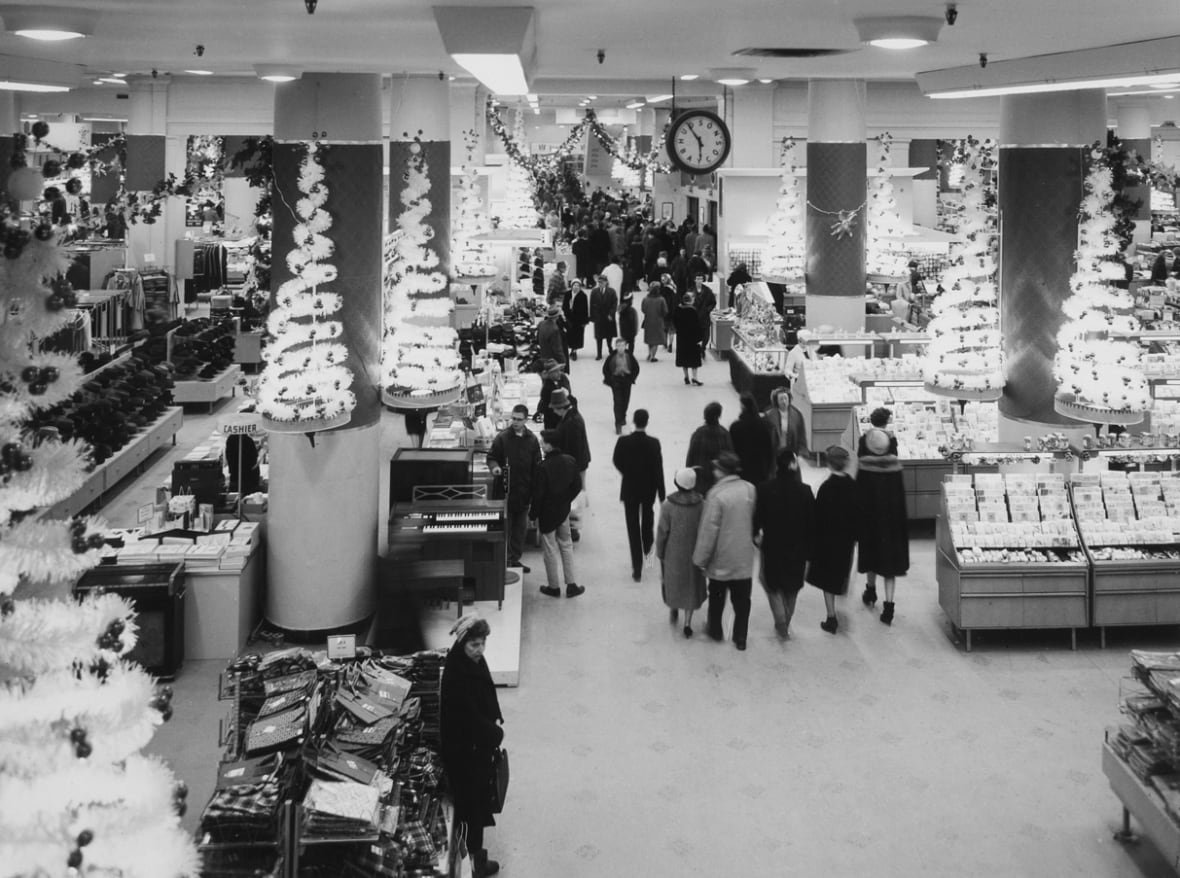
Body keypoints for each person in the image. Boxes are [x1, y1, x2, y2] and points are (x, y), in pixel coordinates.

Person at [440, 613, 504, 878]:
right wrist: (494, 734)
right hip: (466, 753)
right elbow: (468, 717)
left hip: (474, 749)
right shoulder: (457, 674)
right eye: (474, 645)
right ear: (462, 642)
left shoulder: (470, 660)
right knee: (471, 809)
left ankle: (474, 856)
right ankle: (473, 864)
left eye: (482, 644)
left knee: (475, 806)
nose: (480, 650)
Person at [693, 451, 758, 651]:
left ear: (722, 472)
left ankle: (715, 630)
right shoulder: (749, 489)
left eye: (716, 468)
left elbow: (709, 531)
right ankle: (740, 637)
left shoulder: (716, 495)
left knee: (717, 597)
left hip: (721, 558)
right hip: (743, 557)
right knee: (742, 601)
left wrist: (700, 559)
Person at [856, 408, 910, 625]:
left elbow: (859, 497)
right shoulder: (895, 470)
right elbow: (900, 501)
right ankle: (889, 607)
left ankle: (870, 591)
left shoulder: (865, 469)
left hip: (870, 522)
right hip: (891, 524)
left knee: (870, 556)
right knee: (889, 565)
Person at [753, 448, 815, 638]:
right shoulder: (805, 491)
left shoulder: (764, 488)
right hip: (798, 546)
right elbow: (813, 522)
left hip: (772, 544)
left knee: (771, 583)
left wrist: (756, 536)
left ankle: (780, 620)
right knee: (792, 586)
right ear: (792, 466)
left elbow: (757, 517)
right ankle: (786, 620)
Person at [806, 445, 858, 634]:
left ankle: (831, 616)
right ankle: (842, 594)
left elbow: (817, 515)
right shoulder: (853, 485)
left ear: (829, 464)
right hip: (847, 539)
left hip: (827, 539)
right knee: (841, 571)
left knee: (826, 578)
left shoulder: (826, 488)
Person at [486, 403, 542, 573]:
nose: (515, 422)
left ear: (526, 420)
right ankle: (502, 562)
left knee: (520, 531)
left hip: (523, 494)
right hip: (504, 494)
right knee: (505, 529)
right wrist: (495, 467)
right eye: (513, 418)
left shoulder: (532, 440)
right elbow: (491, 457)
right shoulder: (502, 438)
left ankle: (514, 559)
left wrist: (534, 492)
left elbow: (537, 466)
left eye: (519, 419)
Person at [612, 408, 666, 581]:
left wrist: (627, 473)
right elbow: (659, 469)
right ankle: (648, 555)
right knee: (647, 522)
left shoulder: (623, 442)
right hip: (648, 489)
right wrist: (662, 494)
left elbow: (616, 460)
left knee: (632, 527)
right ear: (647, 422)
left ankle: (637, 568)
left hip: (630, 488)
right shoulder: (654, 443)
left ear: (634, 422)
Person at [531, 430, 584, 598]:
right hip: (563, 512)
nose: (541, 444)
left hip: (547, 514)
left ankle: (553, 586)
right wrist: (565, 500)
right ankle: (571, 584)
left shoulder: (543, 468)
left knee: (549, 549)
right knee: (566, 545)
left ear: (549, 445)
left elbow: (538, 495)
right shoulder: (570, 461)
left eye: (543, 442)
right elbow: (577, 486)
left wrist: (533, 515)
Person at [656, 467, 707, 637]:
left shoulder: (668, 505)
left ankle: (673, 608)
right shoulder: (701, 505)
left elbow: (662, 531)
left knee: (674, 582)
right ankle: (687, 623)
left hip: (674, 552)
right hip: (694, 552)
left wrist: (660, 552)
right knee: (691, 586)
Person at [550, 387, 590, 542]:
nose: (554, 412)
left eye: (555, 409)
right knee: (575, 496)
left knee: (573, 498)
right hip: (579, 463)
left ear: (560, 408)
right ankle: (572, 528)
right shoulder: (572, 416)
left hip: (576, 465)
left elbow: (572, 448)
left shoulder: (571, 422)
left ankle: (573, 530)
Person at [685, 401, 733, 496]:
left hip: (700, 482)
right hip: (719, 483)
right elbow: (730, 458)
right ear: (719, 415)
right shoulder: (724, 434)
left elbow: (690, 459)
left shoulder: (698, 434)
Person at [729, 392, 775, 486]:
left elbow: (732, 449)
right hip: (761, 469)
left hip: (742, 470)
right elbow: (769, 449)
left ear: (743, 406)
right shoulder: (765, 425)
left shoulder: (736, 427)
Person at [602, 337, 640, 435]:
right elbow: (605, 369)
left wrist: (632, 378)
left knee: (626, 401)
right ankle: (618, 423)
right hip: (616, 381)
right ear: (616, 346)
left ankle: (622, 416)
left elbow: (636, 368)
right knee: (618, 401)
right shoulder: (612, 357)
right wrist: (610, 379)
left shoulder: (629, 356)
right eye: (618, 346)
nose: (620, 348)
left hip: (626, 380)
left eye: (622, 345)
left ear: (625, 346)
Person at [763, 385, 807, 462]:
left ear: (789, 399)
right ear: (776, 401)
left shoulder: (796, 415)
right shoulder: (769, 415)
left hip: (791, 454)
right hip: (774, 455)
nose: (784, 401)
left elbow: (801, 437)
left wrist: (801, 454)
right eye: (781, 399)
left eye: (785, 398)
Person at [673, 291, 704, 385]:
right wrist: (700, 338)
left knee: (684, 358)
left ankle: (686, 377)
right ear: (691, 300)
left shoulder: (678, 309)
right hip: (692, 339)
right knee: (694, 359)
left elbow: (675, 322)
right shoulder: (692, 311)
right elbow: (697, 326)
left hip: (682, 338)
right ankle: (694, 378)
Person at [589, 273, 619, 360]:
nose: (600, 284)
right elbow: (591, 305)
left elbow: (614, 304)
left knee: (609, 335)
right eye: (599, 282)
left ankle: (610, 347)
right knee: (599, 337)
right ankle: (599, 353)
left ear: (606, 282)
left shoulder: (611, 291)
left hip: (608, 317)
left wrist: (611, 314)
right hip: (599, 317)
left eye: (602, 282)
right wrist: (593, 317)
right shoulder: (594, 292)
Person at [536, 359, 570, 429]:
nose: (559, 373)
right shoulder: (549, 388)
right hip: (553, 425)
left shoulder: (554, 383)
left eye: (559, 370)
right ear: (549, 374)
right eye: (556, 371)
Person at [563, 279, 589, 361]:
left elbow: (585, 309)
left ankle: (574, 351)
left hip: (578, 319)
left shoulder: (583, 295)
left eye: (578, 286)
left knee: (577, 336)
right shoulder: (567, 294)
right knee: (569, 335)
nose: (576, 287)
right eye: (574, 285)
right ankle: (569, 350)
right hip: (569, 318)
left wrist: (585, 321)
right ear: (572, 286)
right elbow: (564, 306)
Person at [690, 273, 716, 359]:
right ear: (694, 280)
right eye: (697, 278)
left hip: (704, 317)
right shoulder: (690, 290)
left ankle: (703, 348)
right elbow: (686, 301)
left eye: (701, 278)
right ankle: (697, 349)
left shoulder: (708, 291)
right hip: (694, 317)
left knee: (706, 336)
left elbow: (713, 302)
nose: (699, 280)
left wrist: (708, 310)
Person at [640, 283, 668, 362]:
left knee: (650, 339)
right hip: (658, 322)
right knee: (656, 340)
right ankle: (653, 356)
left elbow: (643, 309)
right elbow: (665, 311)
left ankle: (650, 353)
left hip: (648, 321)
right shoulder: (661, 299)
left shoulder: (645, 299)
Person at [536, 303, 567, 368]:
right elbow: (557, 349)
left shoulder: (541, 323)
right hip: (552, 360)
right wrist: (563, 361)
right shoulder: (554, 329)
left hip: (543, 355)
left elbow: (537, 338)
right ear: (557, 317)